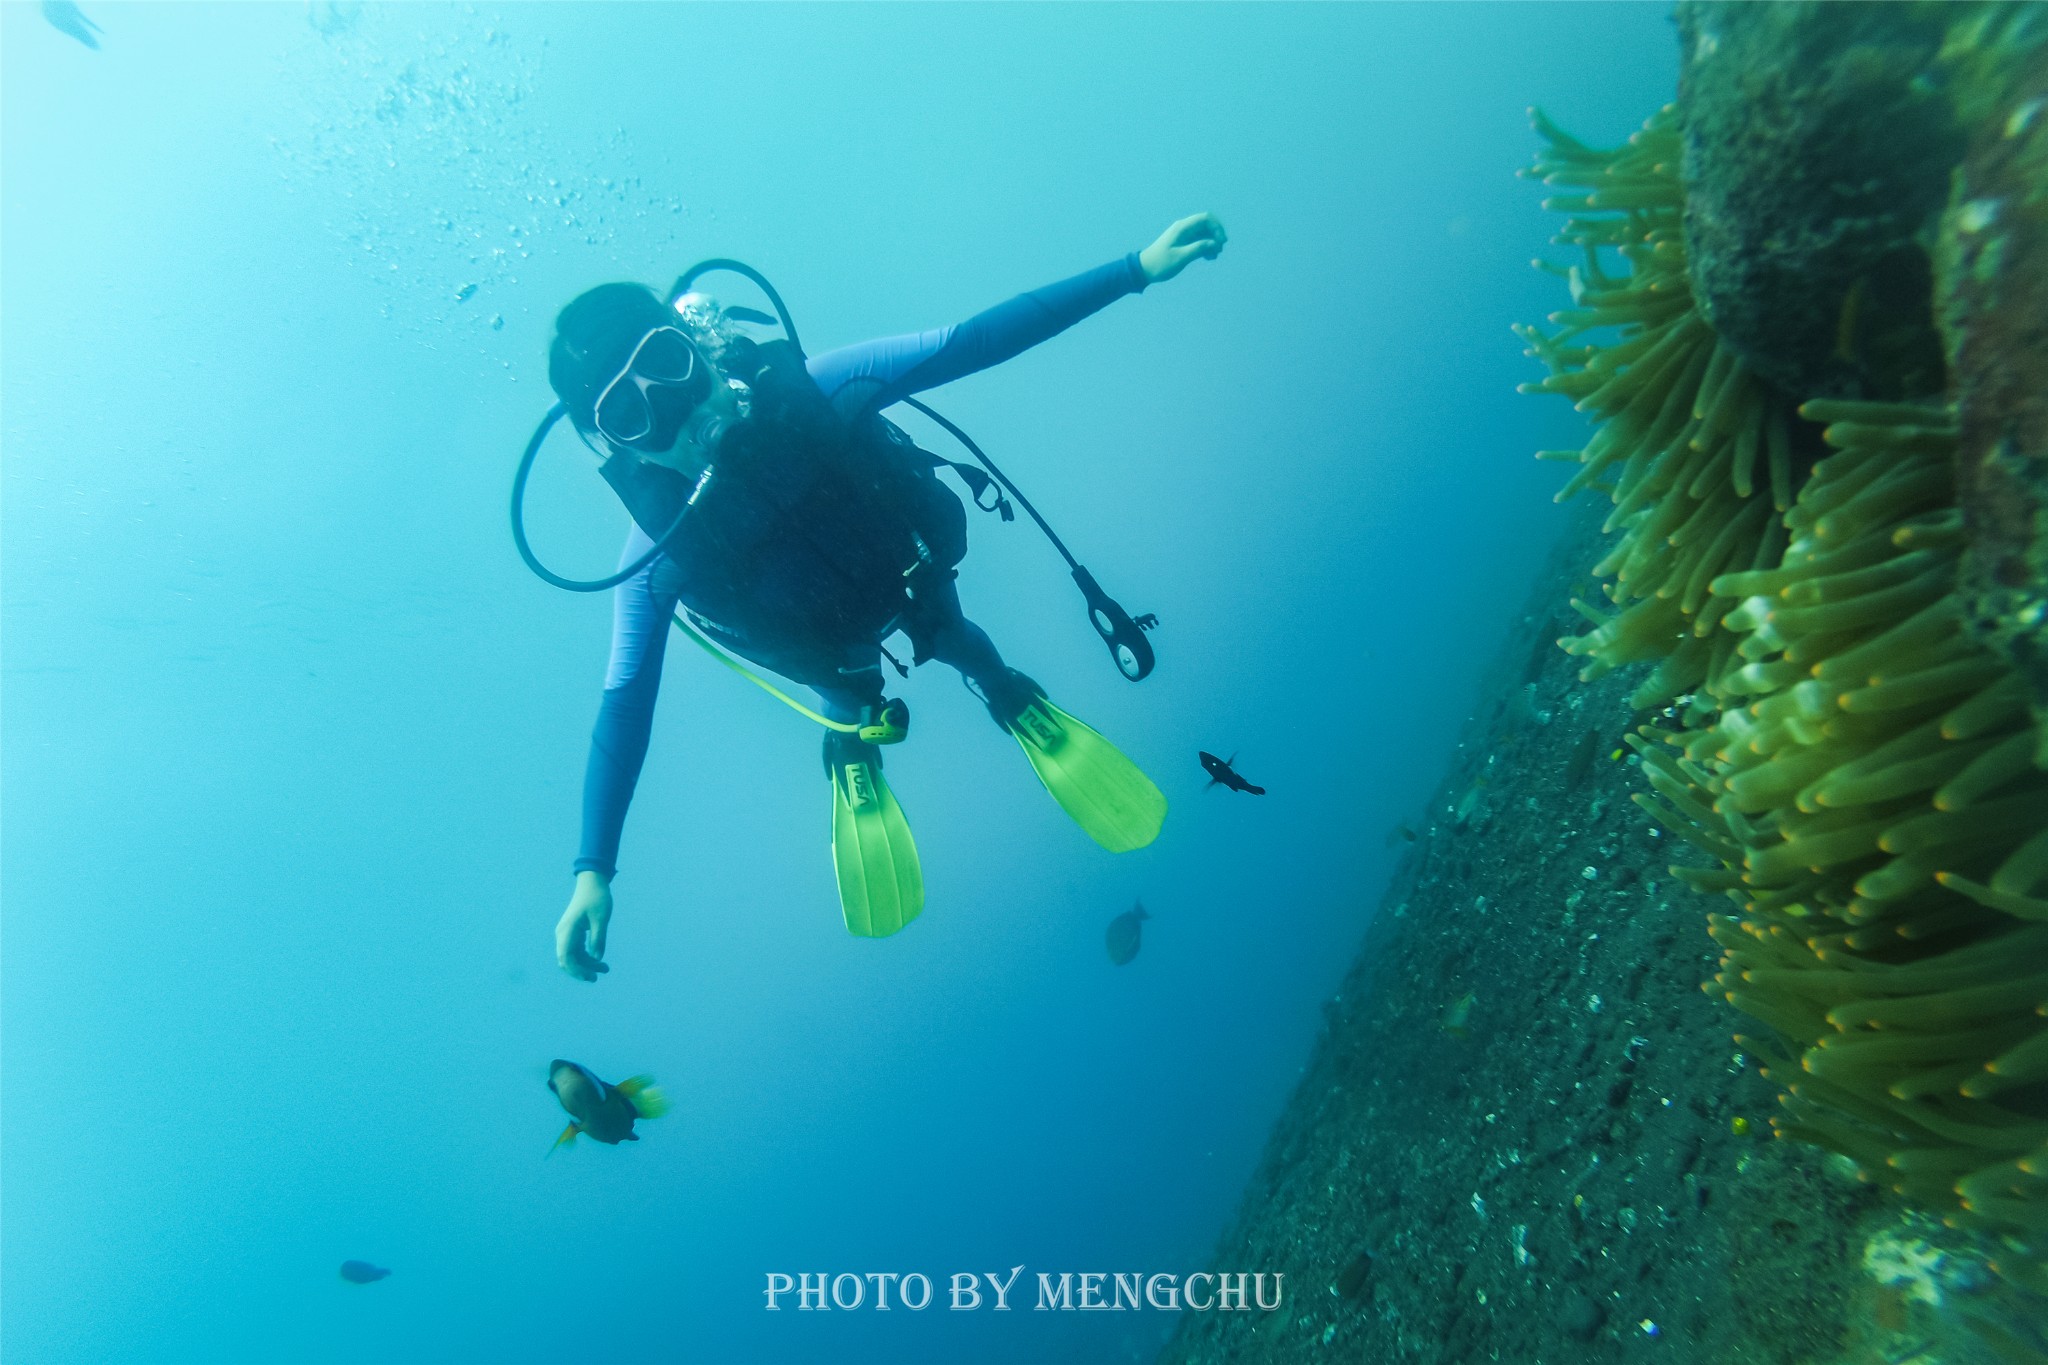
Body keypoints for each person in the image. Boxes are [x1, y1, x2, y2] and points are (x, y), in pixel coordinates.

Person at [547, 213, 1226, 978]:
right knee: (846, 692)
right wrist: (592, 872)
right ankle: (851, 746)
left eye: (665, 365)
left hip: (908, 570)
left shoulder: (817, 387)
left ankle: (1004, 691)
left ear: (696, 345)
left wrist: (1135, 267)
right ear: (615, 444)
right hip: (820, 644)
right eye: (628, 412)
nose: (669, 409)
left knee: (956, 636)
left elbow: (972, 341)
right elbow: (624, 707)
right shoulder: (654, 556)